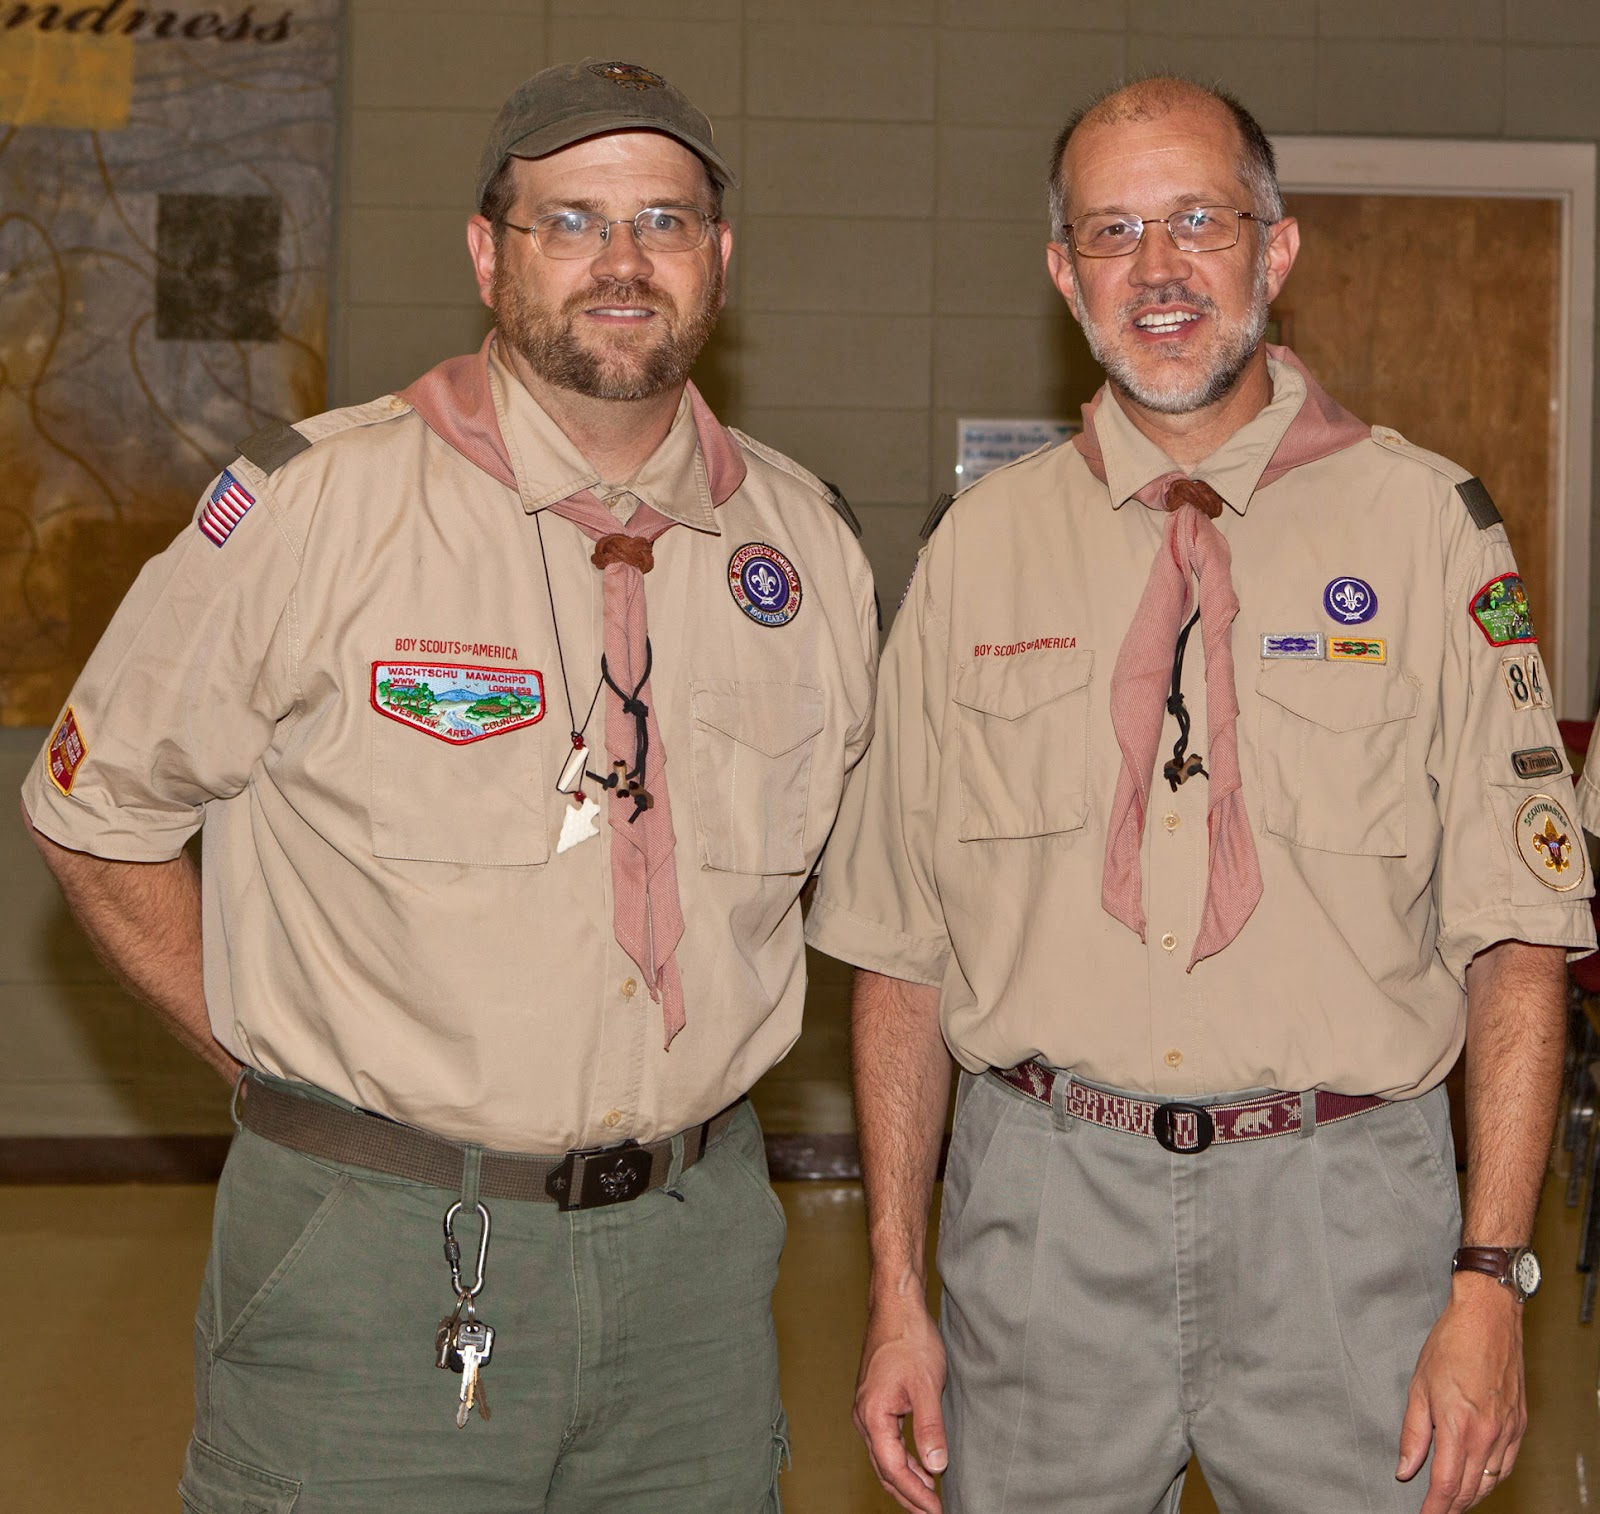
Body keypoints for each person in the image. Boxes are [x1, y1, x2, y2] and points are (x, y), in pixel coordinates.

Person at [22, 58, 876, 1513]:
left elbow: (862, 905)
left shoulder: (807, 554)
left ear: (719, 260)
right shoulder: (317, 506)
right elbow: (92, 816)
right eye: (570, 222)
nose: (622, 262)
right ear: (489, 253)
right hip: (376, 1250)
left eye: (663, 221)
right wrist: (284, 1078)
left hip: (694, 1267)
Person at [806, 75, 1592, 1514]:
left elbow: (1515, 938)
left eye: (1195, 222)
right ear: (1063, 273)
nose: (1157, 271)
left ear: (1273, 251)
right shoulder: (978, 554)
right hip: (1041, 1205)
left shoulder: (1427, 528)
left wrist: (1489, 1275)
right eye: (1111, 232)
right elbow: (901, 958)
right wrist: (895, 1291)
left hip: (1344, 1209)